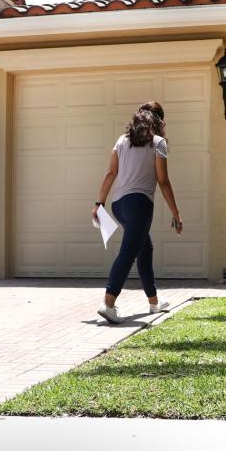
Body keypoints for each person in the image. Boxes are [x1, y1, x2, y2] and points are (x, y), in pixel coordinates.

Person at [91, 100, 182, 324]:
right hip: (139, 204)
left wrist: (99, 203)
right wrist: (176, 214)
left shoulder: (122, 140)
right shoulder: (159, 143)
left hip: (119, 205)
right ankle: (108, 304)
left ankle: (154, 303)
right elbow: (163, 181)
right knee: (129, 252)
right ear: (160, 120)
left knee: (144, 247)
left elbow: (111, 172)